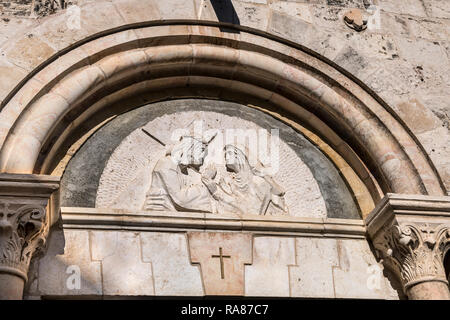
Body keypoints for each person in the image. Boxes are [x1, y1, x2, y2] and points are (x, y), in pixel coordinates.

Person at [201, 144, 288, 215]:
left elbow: (250, 212)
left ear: (240, 156)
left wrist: (215, 191)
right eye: (225, 155)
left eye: (229, 153)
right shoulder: (231, 182)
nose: (226, 157)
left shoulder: (258, 182)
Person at [143, 133, 216, 212]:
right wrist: (205, 182)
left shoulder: (183, 170)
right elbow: (181, 199)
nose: (202, 156)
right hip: (159, 213)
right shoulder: (167, 164)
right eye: (201, 150)